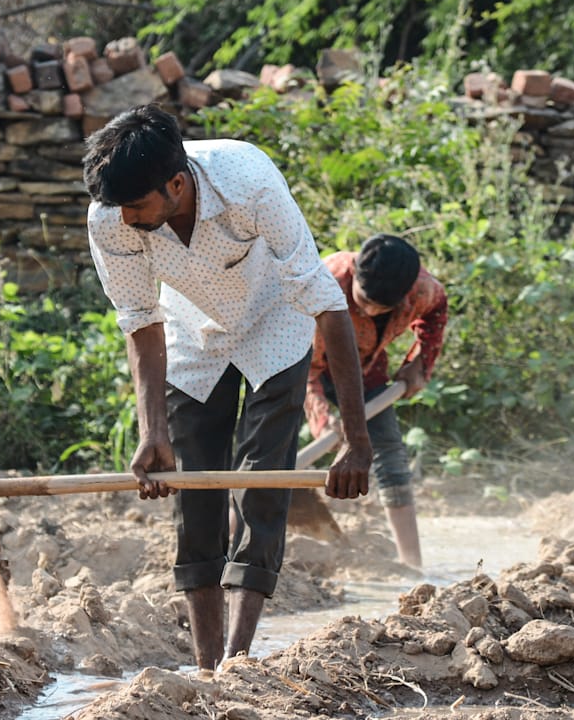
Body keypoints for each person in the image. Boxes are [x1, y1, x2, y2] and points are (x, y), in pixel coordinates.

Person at [82, 104, 375, 673]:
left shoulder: (248, 178)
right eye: (117, 209)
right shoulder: (109, 219)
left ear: (176, 183)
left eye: (137, 207)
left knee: (262, 481)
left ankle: (238, 663)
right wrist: (152, 432)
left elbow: (325, 301)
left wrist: (357, 441)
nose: (126, 219)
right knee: (193, 487)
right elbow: (140, 321)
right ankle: (207, 667)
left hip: (275, 317)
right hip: (191, 330)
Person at [305, 234, 448, 568]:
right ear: (354, 274)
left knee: (389, 455)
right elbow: (306, 371)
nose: (368, 311)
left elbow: (437, 310)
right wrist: (324, 423)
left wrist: (420, 362)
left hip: (365, 368)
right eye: (363, 301)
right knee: (273, 447)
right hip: (299, 360)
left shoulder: (422, 290)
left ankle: (412, 563)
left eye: (379, 308)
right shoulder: (323, 286)